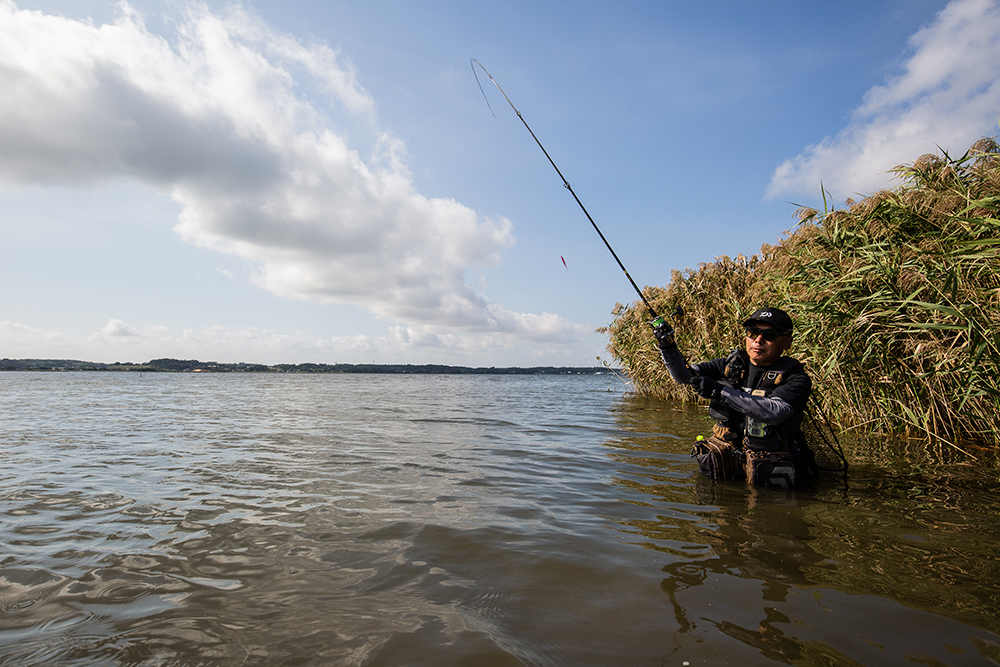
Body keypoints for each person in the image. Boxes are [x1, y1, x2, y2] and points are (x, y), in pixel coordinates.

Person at [652, 307, 814, 487]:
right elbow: (684, 376)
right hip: (727, 465)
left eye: (770, 335)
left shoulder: (796, 377)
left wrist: (720, 391)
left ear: (787, 342)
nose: (758, 340)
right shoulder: (728, 366)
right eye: (752, 333)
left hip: (771, 474)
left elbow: (774, 412)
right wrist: (667, 347)